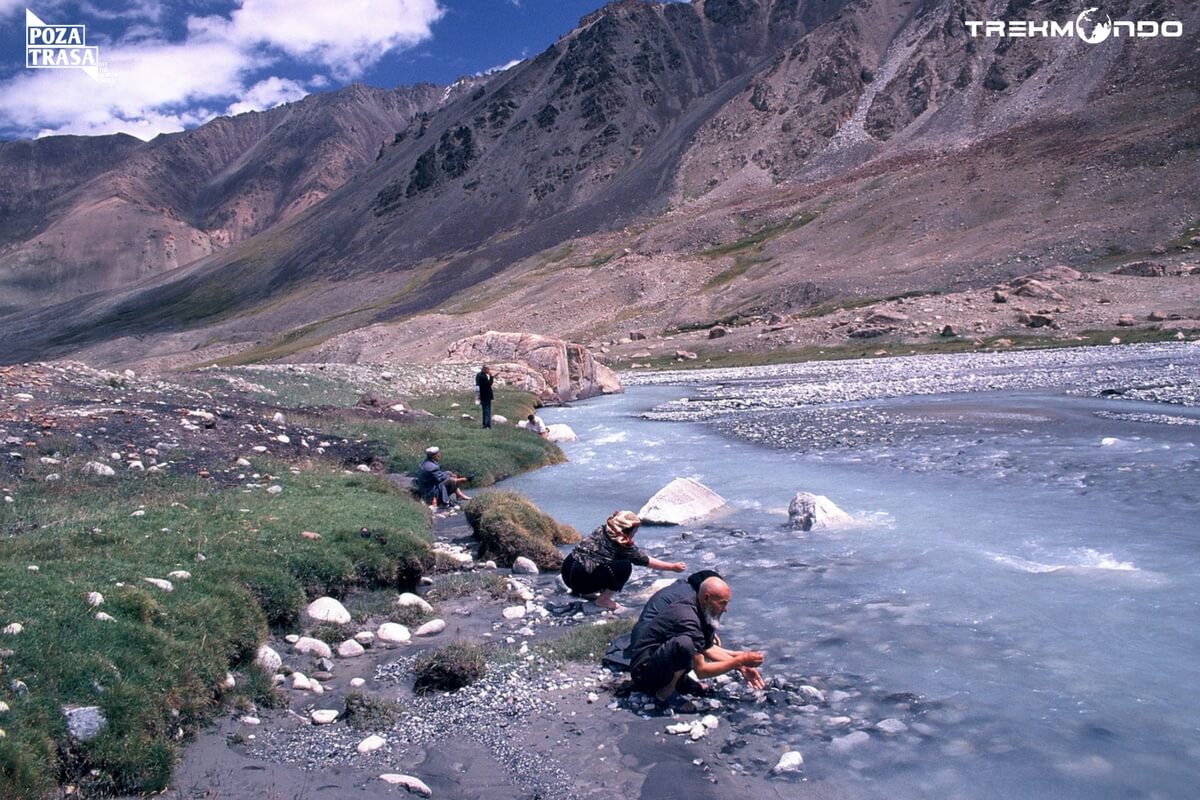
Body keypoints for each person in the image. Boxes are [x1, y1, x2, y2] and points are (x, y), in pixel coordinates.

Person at [628, 576, 765, 711]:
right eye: (722, 603)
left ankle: (678, 682)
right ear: (706, 597)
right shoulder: (688, 618)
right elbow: (701, 671)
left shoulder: (702, 609)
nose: (726, 609)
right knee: (686, 644)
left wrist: (742, 667)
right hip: (643, 672)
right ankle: (664, 692)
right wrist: (738, 662)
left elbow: (708, 648)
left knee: (691, 646)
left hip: (659, 661)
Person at [561, 511, 686, 611]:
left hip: (567, 572)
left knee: (599, 560)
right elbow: (645, 560)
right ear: (629, 530)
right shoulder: (622, 544)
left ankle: (581, 591)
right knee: (625, 565)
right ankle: (603, 600)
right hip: (579, 580)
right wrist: (672, 567)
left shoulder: (603, 529)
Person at [474, 365, 494, 429]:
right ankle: (487, 425)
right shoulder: (483, 376)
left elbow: (477, 386)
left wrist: (477, 395)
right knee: (487, 410)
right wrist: (491, 377)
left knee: (484, 410)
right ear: (485, 369)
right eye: (488, 369)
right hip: (486, 395)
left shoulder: (478, 375)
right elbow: (489, 384)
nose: (488, 371)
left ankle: (484, 424)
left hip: (482, 395)